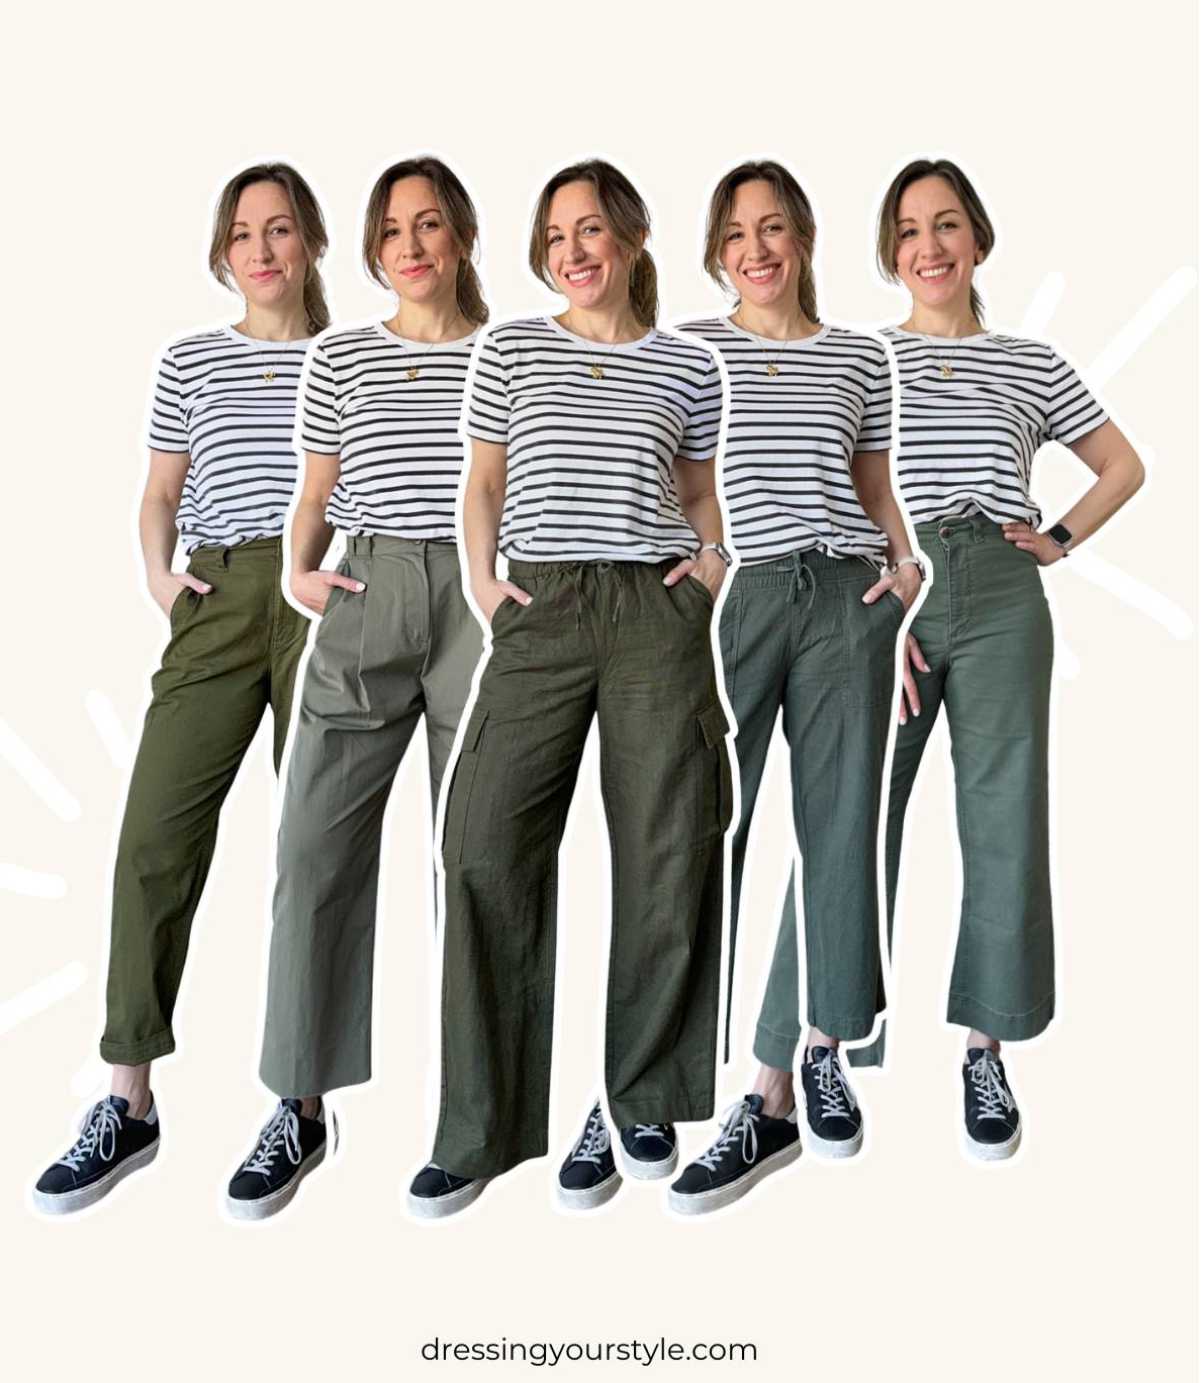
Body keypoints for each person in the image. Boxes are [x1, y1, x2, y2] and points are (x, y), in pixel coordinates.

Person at [756, 158, 1142, 1166]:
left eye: (947, 224)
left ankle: (984, 1044)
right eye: (909, 230)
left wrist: (1056, 537)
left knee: (1002, 816)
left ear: (977, 240)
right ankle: (804, 1055)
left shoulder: (1029, 361)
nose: (928, 245)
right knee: (850, 817)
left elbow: (1121, 464)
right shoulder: (859, 359)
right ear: (890, 254)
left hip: (1003, 591)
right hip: (895, 583)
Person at [407, 159, 733, 1218]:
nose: (573, 252)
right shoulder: (510, 346)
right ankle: (478, 1129)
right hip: (538, 611)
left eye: (590, 230)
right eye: (554, 237)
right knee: (482, 841)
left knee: (670, 843)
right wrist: (485, 584)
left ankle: (643, 1091)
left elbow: (694, 486)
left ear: (631, 238)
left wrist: (713, 561)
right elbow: (485, 477)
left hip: (653, 609)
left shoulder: (687, 367)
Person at [33, 163, 330, 1215]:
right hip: (216, 592)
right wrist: (164, 579)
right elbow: (158, 490)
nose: (261, 249)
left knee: (311, 849)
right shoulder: (191, 361)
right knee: (154, 839)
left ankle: (298, 1106)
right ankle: (129, 1098)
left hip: (322, 600)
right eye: (243, 233)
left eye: (281, 230)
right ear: (222, 253)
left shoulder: (347, 360)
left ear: (309, 247)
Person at [227, 158, 489, 1219]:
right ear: (374, 251)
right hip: (365, 585)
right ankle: (300, 1104)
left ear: (461, 235)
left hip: (478, 603)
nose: (411, 245)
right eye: (391, 230)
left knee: (476, 859)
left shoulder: (505, 352)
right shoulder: (338, 357)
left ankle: (473, 1117)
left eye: (429, 224)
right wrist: (299, 565)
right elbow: (318, 483)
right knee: (310, 846)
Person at [668, 161, 921, 1214]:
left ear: (804, 238)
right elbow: (659, 471)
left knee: (839, 831)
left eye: (772, 228)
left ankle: (812, 1052)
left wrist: (908, 571)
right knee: (684, 835)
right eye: (735, 234)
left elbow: (872, 484)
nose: (756, 249)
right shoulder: (688, 348)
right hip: (735, 598)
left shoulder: (859, 357)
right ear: (717, 251)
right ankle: (631, 1088)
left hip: (848, 598)